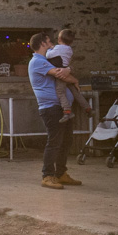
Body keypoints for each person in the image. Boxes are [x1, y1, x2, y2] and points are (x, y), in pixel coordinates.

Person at [28, 32, 83, 190]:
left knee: (66, 141)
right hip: (51, 108)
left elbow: (65, 69)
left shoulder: (46, 60)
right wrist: (75, 79)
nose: (52, 43)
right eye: (49, 41)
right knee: (54, 142)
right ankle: (47, 175)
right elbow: (61, 74)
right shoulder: (38, 61)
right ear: (42, 43)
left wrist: (69, 69)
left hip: (61, 108)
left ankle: (60, 173)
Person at [46, 29, 91, 123]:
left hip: (61, 72)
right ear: (71, 42)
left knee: (60, 92)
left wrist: (50, 48)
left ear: (59, 39)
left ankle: (67, 111)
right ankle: (87, 108)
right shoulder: (69, 49)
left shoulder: (58, 48)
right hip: (68, 71)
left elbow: (48, 55)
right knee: (76, 92)